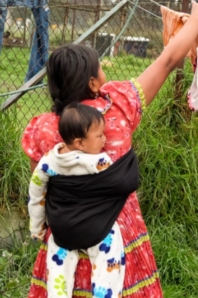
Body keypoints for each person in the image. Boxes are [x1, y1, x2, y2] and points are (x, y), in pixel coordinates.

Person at [22, 0, 198, 298]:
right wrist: (196, 19)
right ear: (93, 83)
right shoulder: (117, 106)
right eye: (100, 68)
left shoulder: (40, 129)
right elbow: (168, 61)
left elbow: (40, 185)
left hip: (64, 243)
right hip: (117, 235)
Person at [29, 102, 134, 298]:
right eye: (99, 135)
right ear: (79, 143)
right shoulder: (100, 162)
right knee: (110, 247)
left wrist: (37, 229)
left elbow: (36, 195)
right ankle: (106, 292)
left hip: (63, 231)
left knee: (58, 269)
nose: (104, 139)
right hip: (95, 230)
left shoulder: (48, 162)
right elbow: (117, 183)